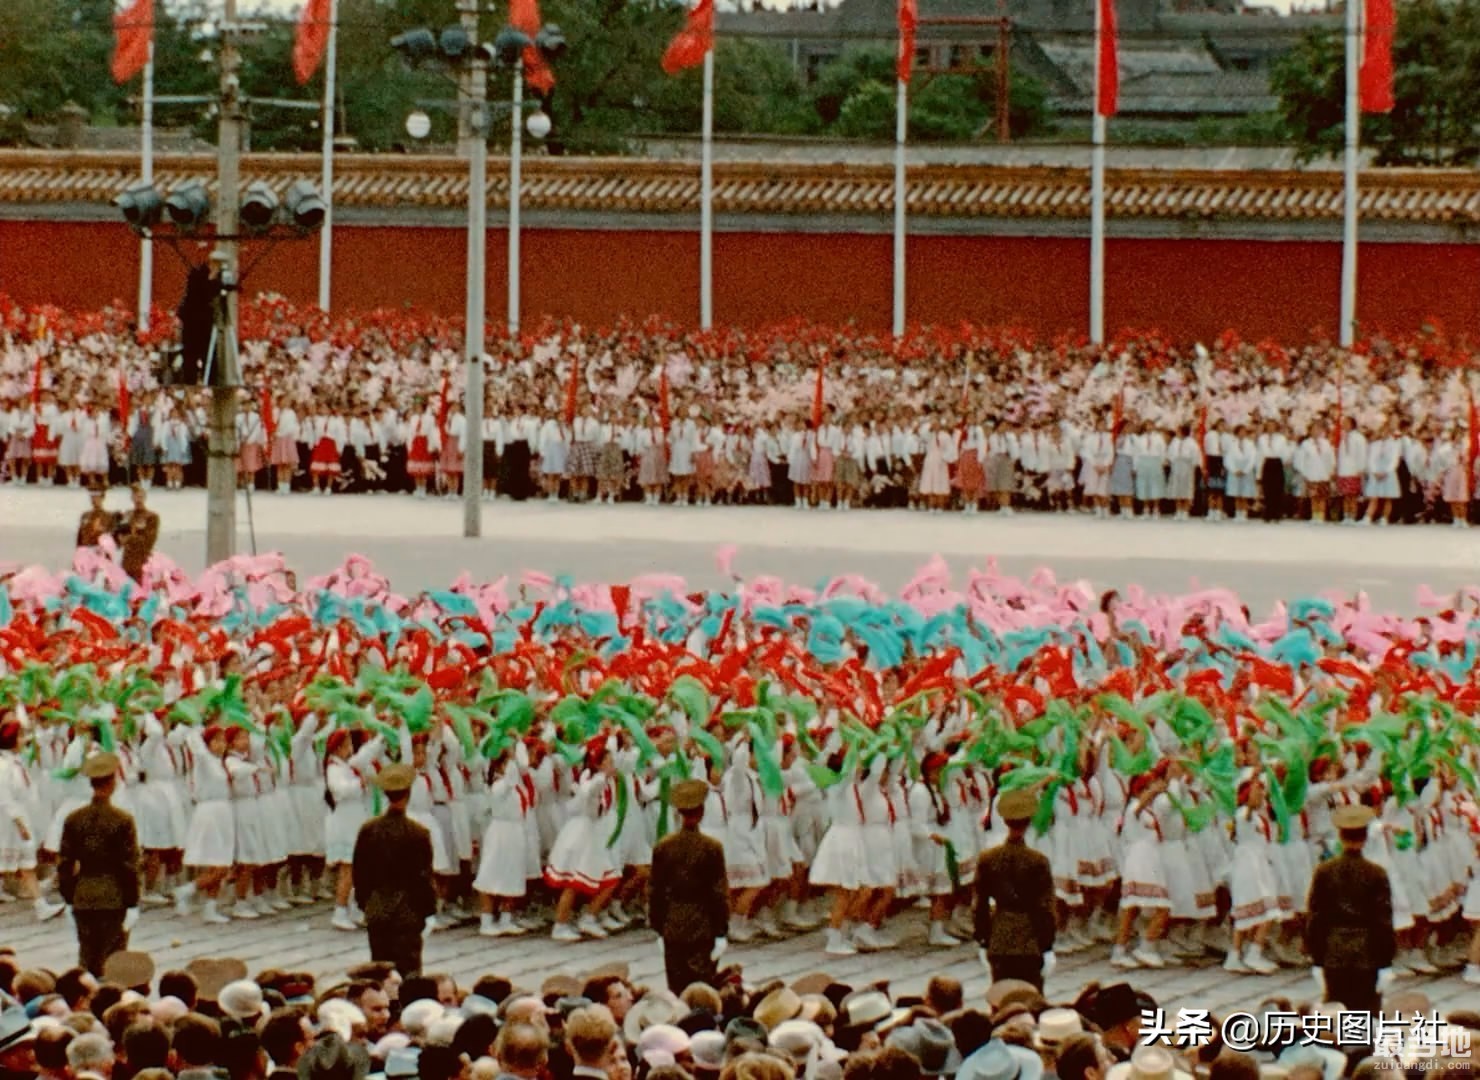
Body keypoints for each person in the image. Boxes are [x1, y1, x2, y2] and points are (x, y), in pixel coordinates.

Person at [1304, 804, 1395, 1016]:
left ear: (1340, 836)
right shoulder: (1376, 873)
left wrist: (1316, 955)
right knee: (1365, 1010)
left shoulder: (1325, 871)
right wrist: (1386, 960)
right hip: (1367, 950)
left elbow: (1316, 916)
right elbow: (1383, 920)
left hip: (1334, 949)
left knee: (1336, 1010)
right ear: (1364, 839)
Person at [57, 752, 141, 976]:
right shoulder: (122, 819)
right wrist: (133, 901)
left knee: (87, 956)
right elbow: (128, 865)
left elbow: (65, 863)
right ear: (112, 783)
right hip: (114, 896)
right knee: (112, 960)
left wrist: (69, 896)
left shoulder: (74, 818)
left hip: (83, 894)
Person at [351, 764, 436, 976]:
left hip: (377, 907)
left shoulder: (369, 830)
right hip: (407, 910)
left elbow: (359, 873)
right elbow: (423, 878)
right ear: (408, 794)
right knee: (409, 970)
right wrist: (426, 910)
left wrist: (367, 903)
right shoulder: (418, 833)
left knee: (380, 968)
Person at [648, 780, 729, 994]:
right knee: (701, 991)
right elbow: (718, 894)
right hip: (702, 926)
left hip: (672, 925)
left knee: (676, 988)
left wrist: (658, 927)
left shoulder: (664, 846)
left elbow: (655, 892)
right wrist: (721, 931)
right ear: (701, 812)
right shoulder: (712, 847)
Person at [972, 789, 1056, 989]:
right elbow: (1046, 908)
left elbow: (980, 904)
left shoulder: (988, 858)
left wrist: (983, 938)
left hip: (999, 936)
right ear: (1028, 822)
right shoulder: (1038, 861)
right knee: (1031, 997)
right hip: (1030, 939)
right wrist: (1047, 944)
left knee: (1001, 995)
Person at [117, 484, 159, 582]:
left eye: (141, 496)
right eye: (135, 496)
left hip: (143, 560)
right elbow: (120, 536)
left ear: (145, 497)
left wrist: (129, 539)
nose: (138, 499)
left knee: (142, 593)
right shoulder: (127, 514)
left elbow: (149, 541)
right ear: (132, 497)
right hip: (126, 561)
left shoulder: (152, 517)